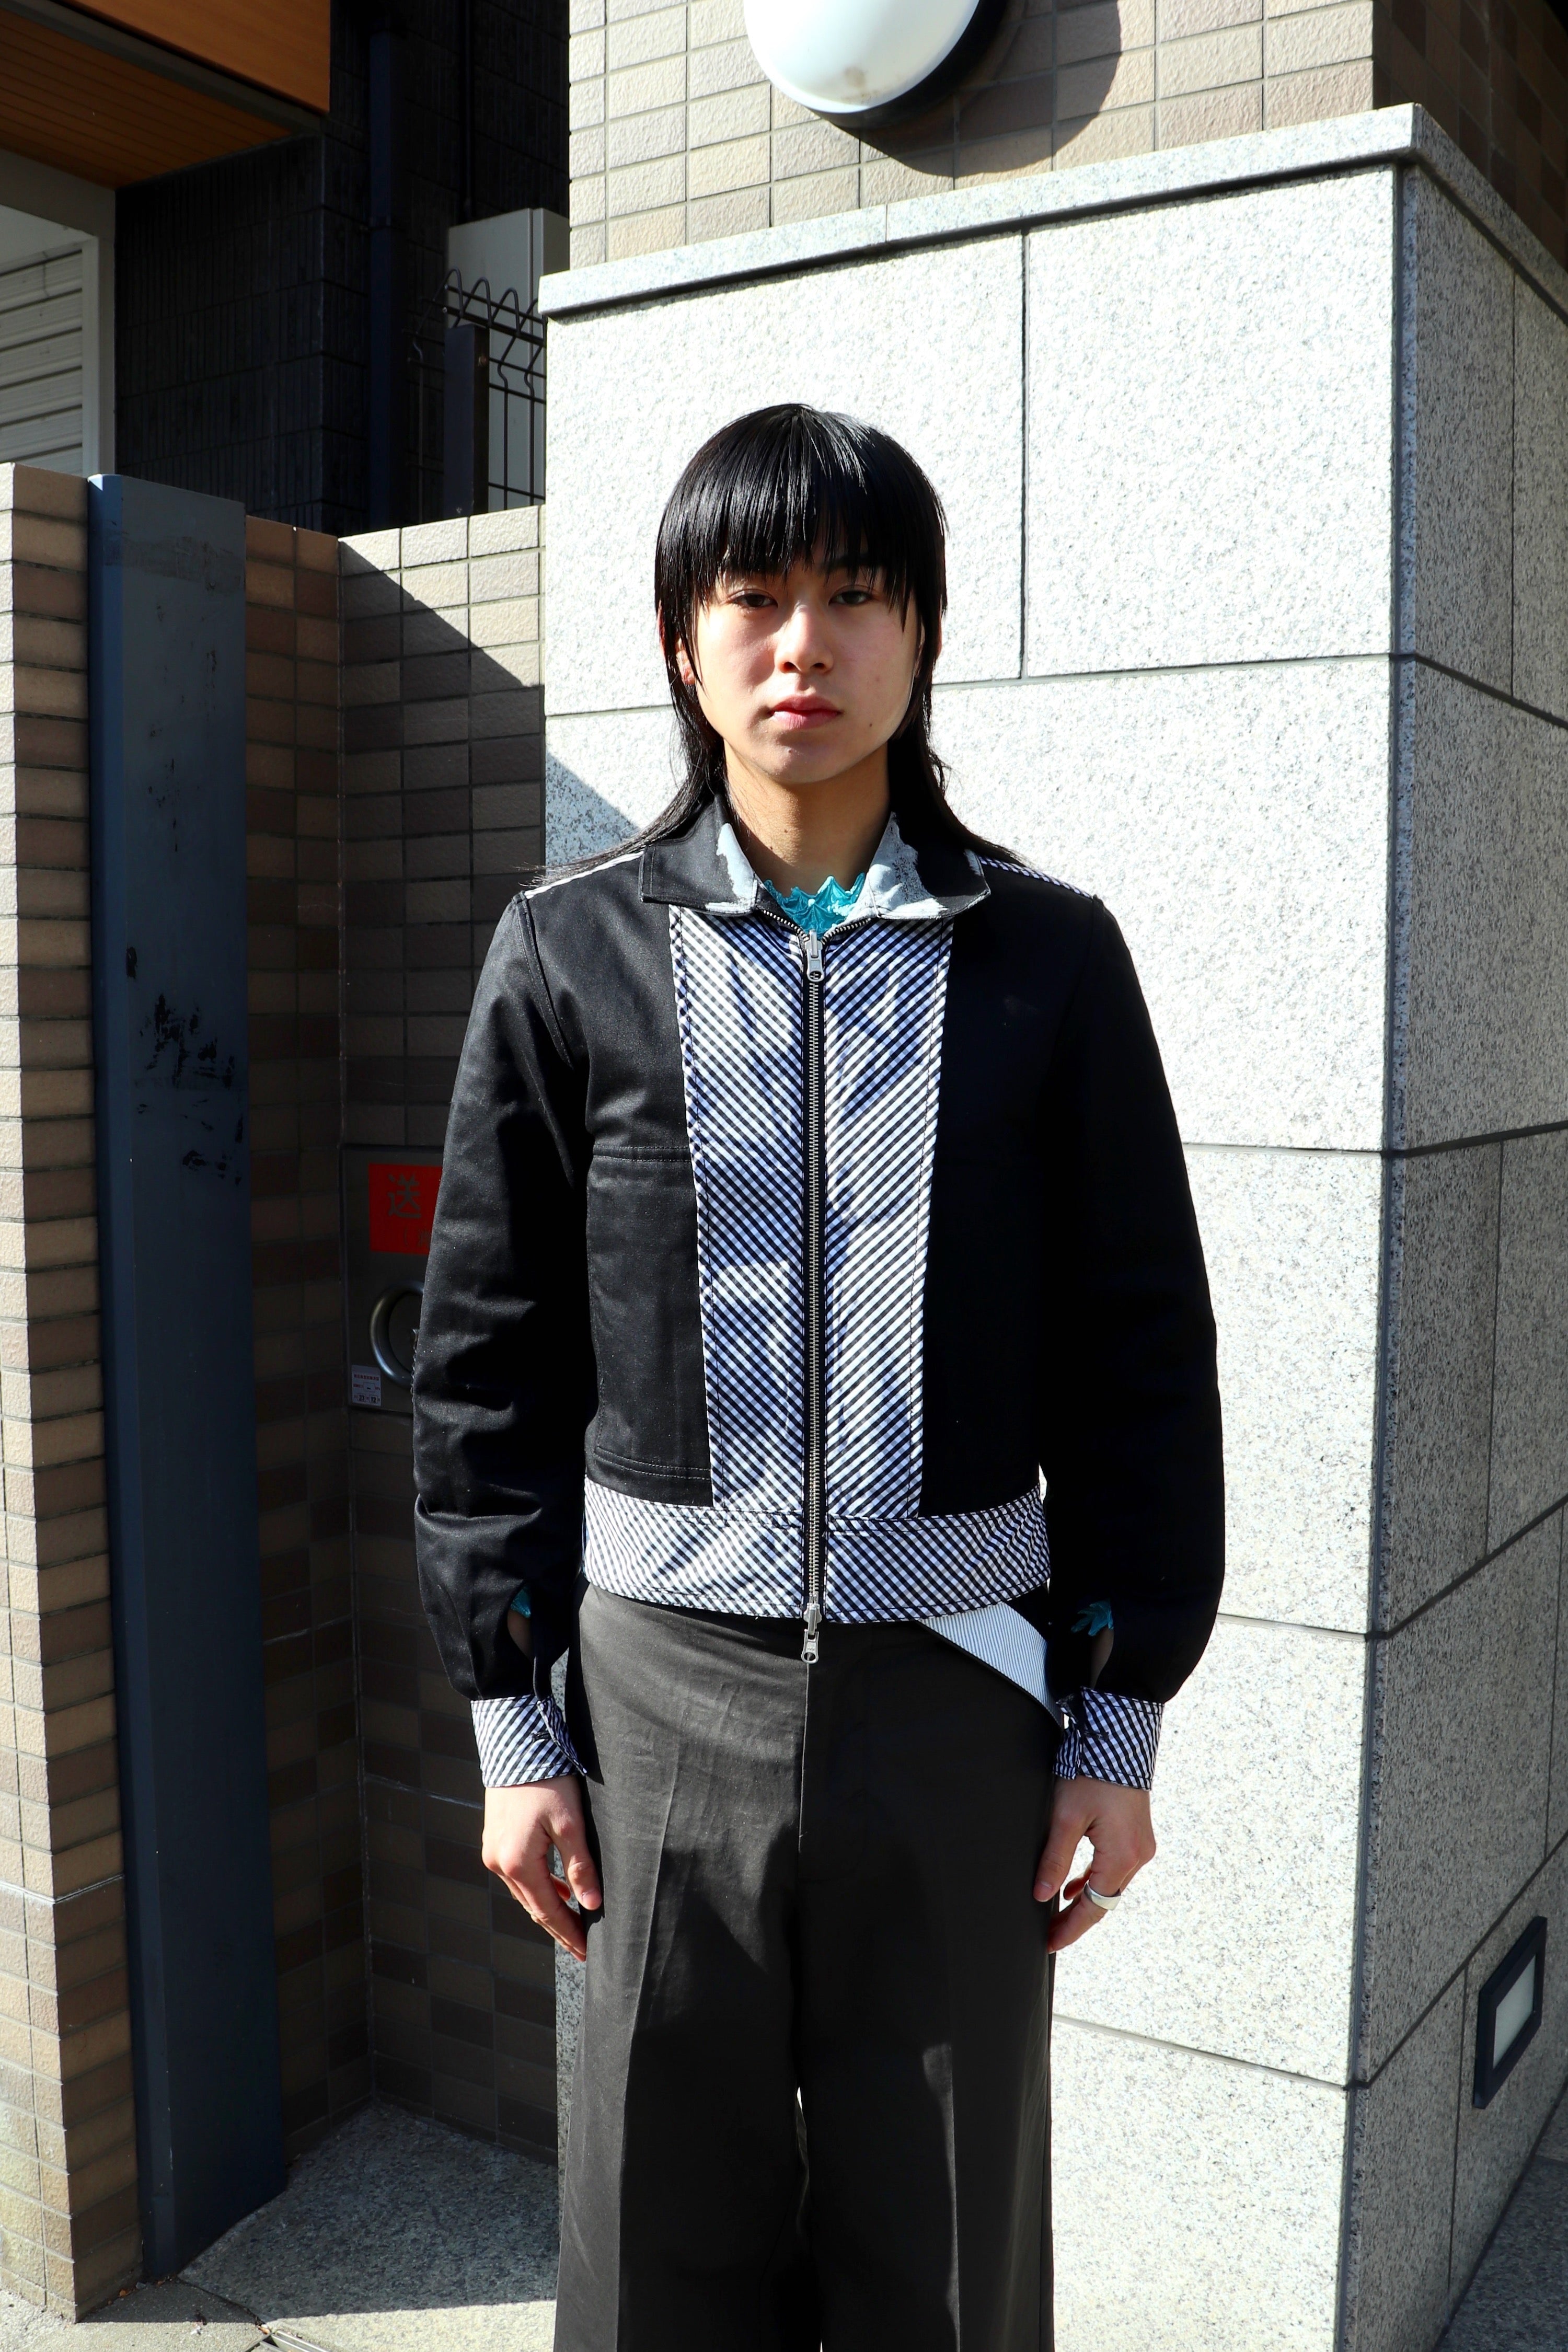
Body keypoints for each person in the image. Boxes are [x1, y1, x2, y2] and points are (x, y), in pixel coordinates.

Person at [411, 403, 1224, 2351]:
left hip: (961, 1695)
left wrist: (1117, 1723)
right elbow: (483, 1362)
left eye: (856, 595)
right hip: (653, 1698)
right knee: (651, 2240)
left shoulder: (1051, 960)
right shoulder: (568, 954)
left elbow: (1143, 1354)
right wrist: (516, 1721)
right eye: (754, 597)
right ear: (682, 643)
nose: (805, 644)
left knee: (948, 2246)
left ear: (921, 634)